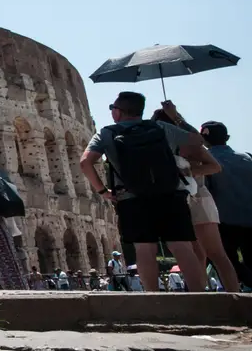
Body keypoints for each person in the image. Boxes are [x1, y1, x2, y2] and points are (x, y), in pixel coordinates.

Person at [79, 91, 210, 293]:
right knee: (182, 248)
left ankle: (152, 300)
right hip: (170, 194)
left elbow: (85, 162)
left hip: (132, 198)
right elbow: (199, 141)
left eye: (113, 108)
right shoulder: (161, 127)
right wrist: (176, 116)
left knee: (145, 250)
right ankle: (201, 298)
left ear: (118, 112)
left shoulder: (107, 133)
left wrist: (103, 191)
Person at [153, 103, 240, 292]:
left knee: (215, 253)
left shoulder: (189, 144)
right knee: (194, 254)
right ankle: (198, 295)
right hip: (176, 199)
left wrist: (186, 170)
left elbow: (215, 167)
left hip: (197, 197)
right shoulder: (159, 147)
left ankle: (236, 296)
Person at [200, 121, 252, 292]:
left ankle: (248, 284)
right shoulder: (249, 158)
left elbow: (208, 189)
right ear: (227, 137)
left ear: (203, 139)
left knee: (224, 258)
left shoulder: (206, 161)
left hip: (224, 218)